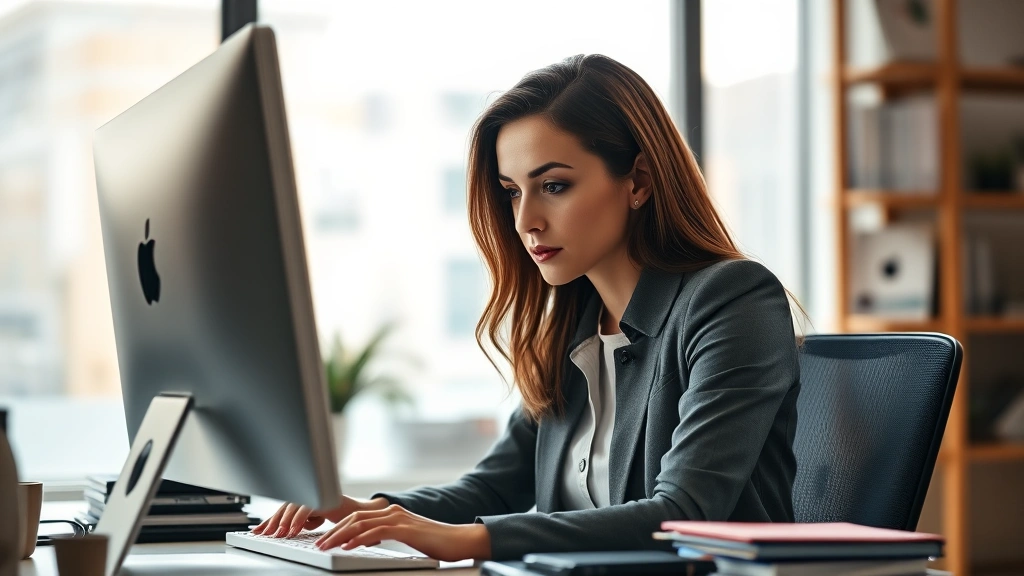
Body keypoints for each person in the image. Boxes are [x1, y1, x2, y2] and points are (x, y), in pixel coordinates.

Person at [253, 54, 804, 562]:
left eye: (555, 186)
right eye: (513, 191)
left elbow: (683, 514)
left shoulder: (732, 299)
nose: (525, 221)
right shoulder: (572, 325)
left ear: (637, 180)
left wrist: (471, 539)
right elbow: (491, 487)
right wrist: (367, 511)